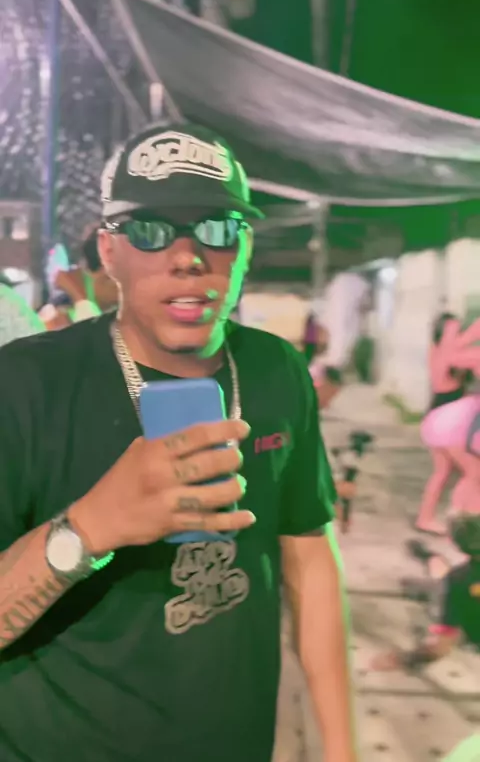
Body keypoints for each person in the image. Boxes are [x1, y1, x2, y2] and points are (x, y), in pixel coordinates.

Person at [0, 122, 358, 762]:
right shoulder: (25, 384)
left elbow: (308, 555)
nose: (188, 256)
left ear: (244, 248)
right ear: (109, 251)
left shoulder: (278, 371)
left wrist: (340, 747)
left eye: (218, 229)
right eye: (150, 230)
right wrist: (88, 528)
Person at [371, 510, 480, 672]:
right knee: (439, 580)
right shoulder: (458, 580)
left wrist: (403, 659)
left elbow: (441, 646)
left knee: (437, 582)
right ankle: (425, 559)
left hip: (459, 601)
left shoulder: (458, 580)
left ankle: (425, 558)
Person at [416, 312, 480, 535]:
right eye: (452, 331)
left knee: (443, 473)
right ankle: (460, 523)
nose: (457, 335)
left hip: (442, 418)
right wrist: (473, 333)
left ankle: (426, 518)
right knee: (473, 473)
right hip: (449, 422)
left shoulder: (449, 354)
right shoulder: (441, 355)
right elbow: (453, 356)